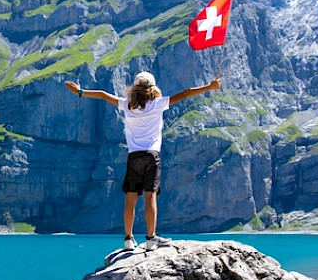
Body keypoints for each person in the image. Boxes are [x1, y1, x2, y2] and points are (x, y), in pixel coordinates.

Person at [65, 72, 221, 250]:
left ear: (135, 89)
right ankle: (151, 238)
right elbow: (186, 93)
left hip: (134, 156)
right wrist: (210, 87)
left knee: (130, 199)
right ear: (153, 88)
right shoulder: (158, 104)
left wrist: (80, 91)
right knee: (150, 196)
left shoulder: (127, 105)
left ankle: (128, 239)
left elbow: (102, 94)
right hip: (151, 155)